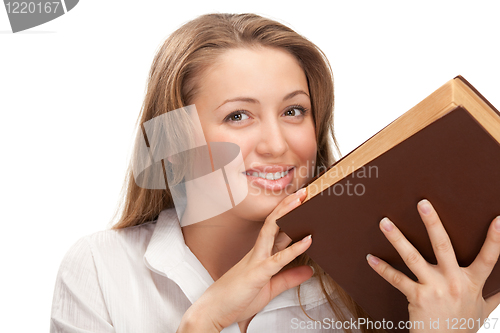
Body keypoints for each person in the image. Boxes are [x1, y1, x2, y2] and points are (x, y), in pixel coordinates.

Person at [50, 13, 500, 333]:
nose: (277, 144)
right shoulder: (101, 268)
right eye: (238, 116)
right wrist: (202, 323)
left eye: (293, 110)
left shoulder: (377, 283)